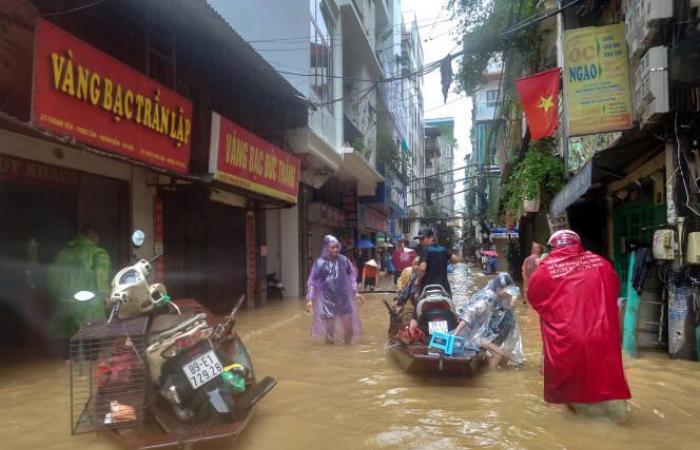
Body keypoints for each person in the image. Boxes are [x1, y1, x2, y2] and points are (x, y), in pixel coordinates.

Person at [527, 230, 631, 423]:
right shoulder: (601, 263)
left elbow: (535, 300)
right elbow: (614, 289)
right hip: (603, 337)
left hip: (566, 341)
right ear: (578, 244)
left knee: (560, 396)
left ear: (552, 248)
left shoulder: (545, 270)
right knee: (605, 384)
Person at [46, 226, 112, 356]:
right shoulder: (97, 253)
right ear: (94, 238)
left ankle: (66, 366)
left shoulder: (62, 253)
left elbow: (51, 278)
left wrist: (54, 298)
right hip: (89, 305)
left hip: (64, 304)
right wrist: (106, 296)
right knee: (91, 340)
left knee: (69, 343)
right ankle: (89, 366)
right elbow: (101, 275)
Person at [452, 272, 524, 367]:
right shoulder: (485, 300)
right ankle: (490, 376)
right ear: (498, 289)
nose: (508, 294)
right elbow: (467, 316)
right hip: (476, 335)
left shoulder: (500, 297)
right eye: (506, 291)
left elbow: (513, 300)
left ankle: (492, 370)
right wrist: (455, 335)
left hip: (488, 333)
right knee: (499, 354)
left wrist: (511, 297)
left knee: (505, 357)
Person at [305, 235, 362, 345]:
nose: (336, 249)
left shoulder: (344, 260)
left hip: (343, 298)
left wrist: (355, 291)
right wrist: (310, 299)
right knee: (330, 333)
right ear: (327, 248)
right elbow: (313, 281)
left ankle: (346, 352)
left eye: (337, 246)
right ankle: (330, 354)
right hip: (328, 300)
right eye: (333, 247)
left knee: (349, 330)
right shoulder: (320, 263)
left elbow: (352, 274)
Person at [413, 227, 460, 296]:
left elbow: (423, 269)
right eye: (419, 239)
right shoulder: (443, 249)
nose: (420, 241)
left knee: (417, 300)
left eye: (423, 239)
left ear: (431, 238)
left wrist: (417, 280)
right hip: (444, 289)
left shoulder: (425, 250)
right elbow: (456, 259)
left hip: (428, 290)